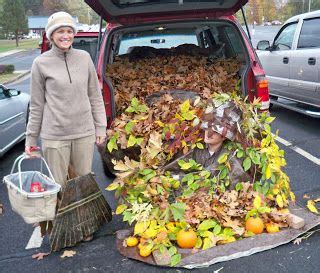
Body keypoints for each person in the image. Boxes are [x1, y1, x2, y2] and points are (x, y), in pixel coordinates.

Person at [25, 11, 107, 187]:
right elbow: (37, 106)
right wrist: (31, 139)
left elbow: (95, 96)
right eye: (60, 31)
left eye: (69, 31)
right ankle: (61, 215)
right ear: (51, 36)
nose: (66, 36)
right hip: (54, 136)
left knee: (84, 182)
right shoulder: (40, 63)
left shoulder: (84, 58)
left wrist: (100, 127)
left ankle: (82, 215)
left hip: (84, 133)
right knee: (58, 185)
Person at [163, 100, 251, 189]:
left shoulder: (229, 157)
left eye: (215, 131)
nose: (209, 133)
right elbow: (173, 168)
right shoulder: (195, 148)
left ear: (224, 137)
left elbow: (234, 182)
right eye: (208, 127)